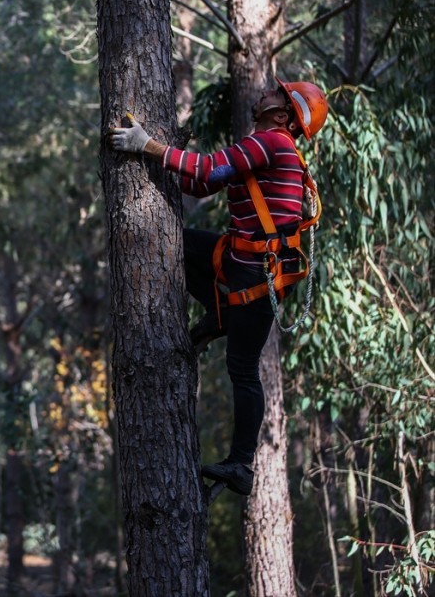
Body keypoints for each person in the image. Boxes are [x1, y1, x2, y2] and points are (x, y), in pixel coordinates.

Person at [107, 79, 328, 495]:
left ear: (282, 115)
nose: (264, 93)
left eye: (275, 95)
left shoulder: (272, 143)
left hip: (253, 274)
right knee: (176, 244)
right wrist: (159, 155)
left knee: (243, 371)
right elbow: (203, 183)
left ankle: (242, 465)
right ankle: (220, 313)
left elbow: (206, 171)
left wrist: (147, 145)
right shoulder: (268, 146)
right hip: (246, 264)